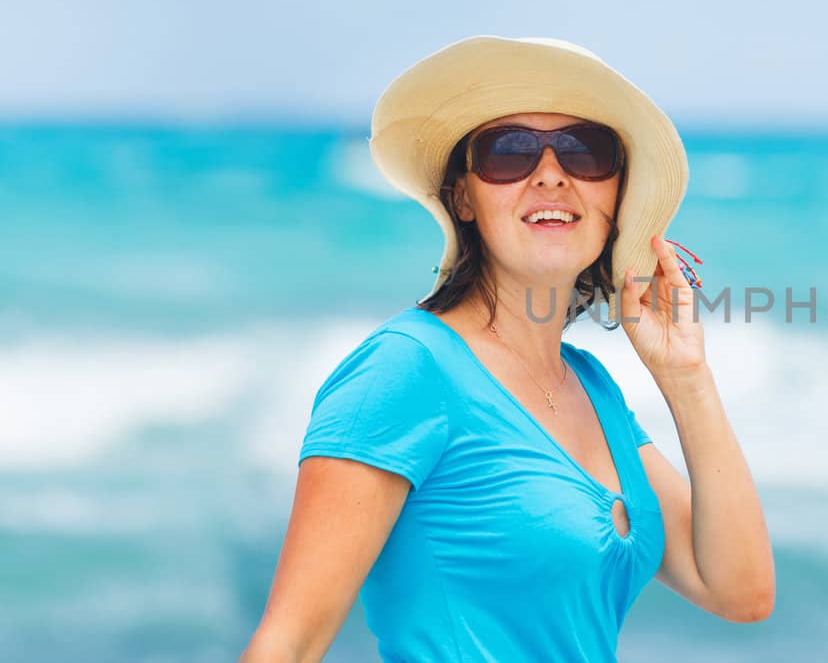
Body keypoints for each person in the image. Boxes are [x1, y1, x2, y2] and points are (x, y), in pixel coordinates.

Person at [240, 36, 774, 663]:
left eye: (584, 152)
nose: (550, 173)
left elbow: (741, 592)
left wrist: (687, 378)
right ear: (463, 197)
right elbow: (289, 643)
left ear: (616, 198)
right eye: (508, 152)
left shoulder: (590, 386)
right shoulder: (406, 368)